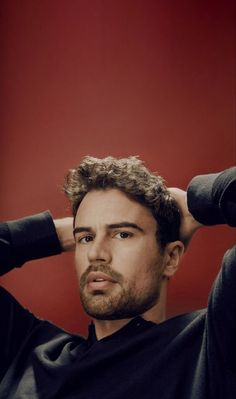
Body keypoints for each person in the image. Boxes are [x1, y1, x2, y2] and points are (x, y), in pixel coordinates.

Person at [0, 156, 235, 399]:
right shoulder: (28, 351)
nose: (96, 254)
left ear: (170, 258)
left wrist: (191, 205)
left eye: (123, 234)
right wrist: (62, 232)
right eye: (86, 239)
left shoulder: (210, 349)